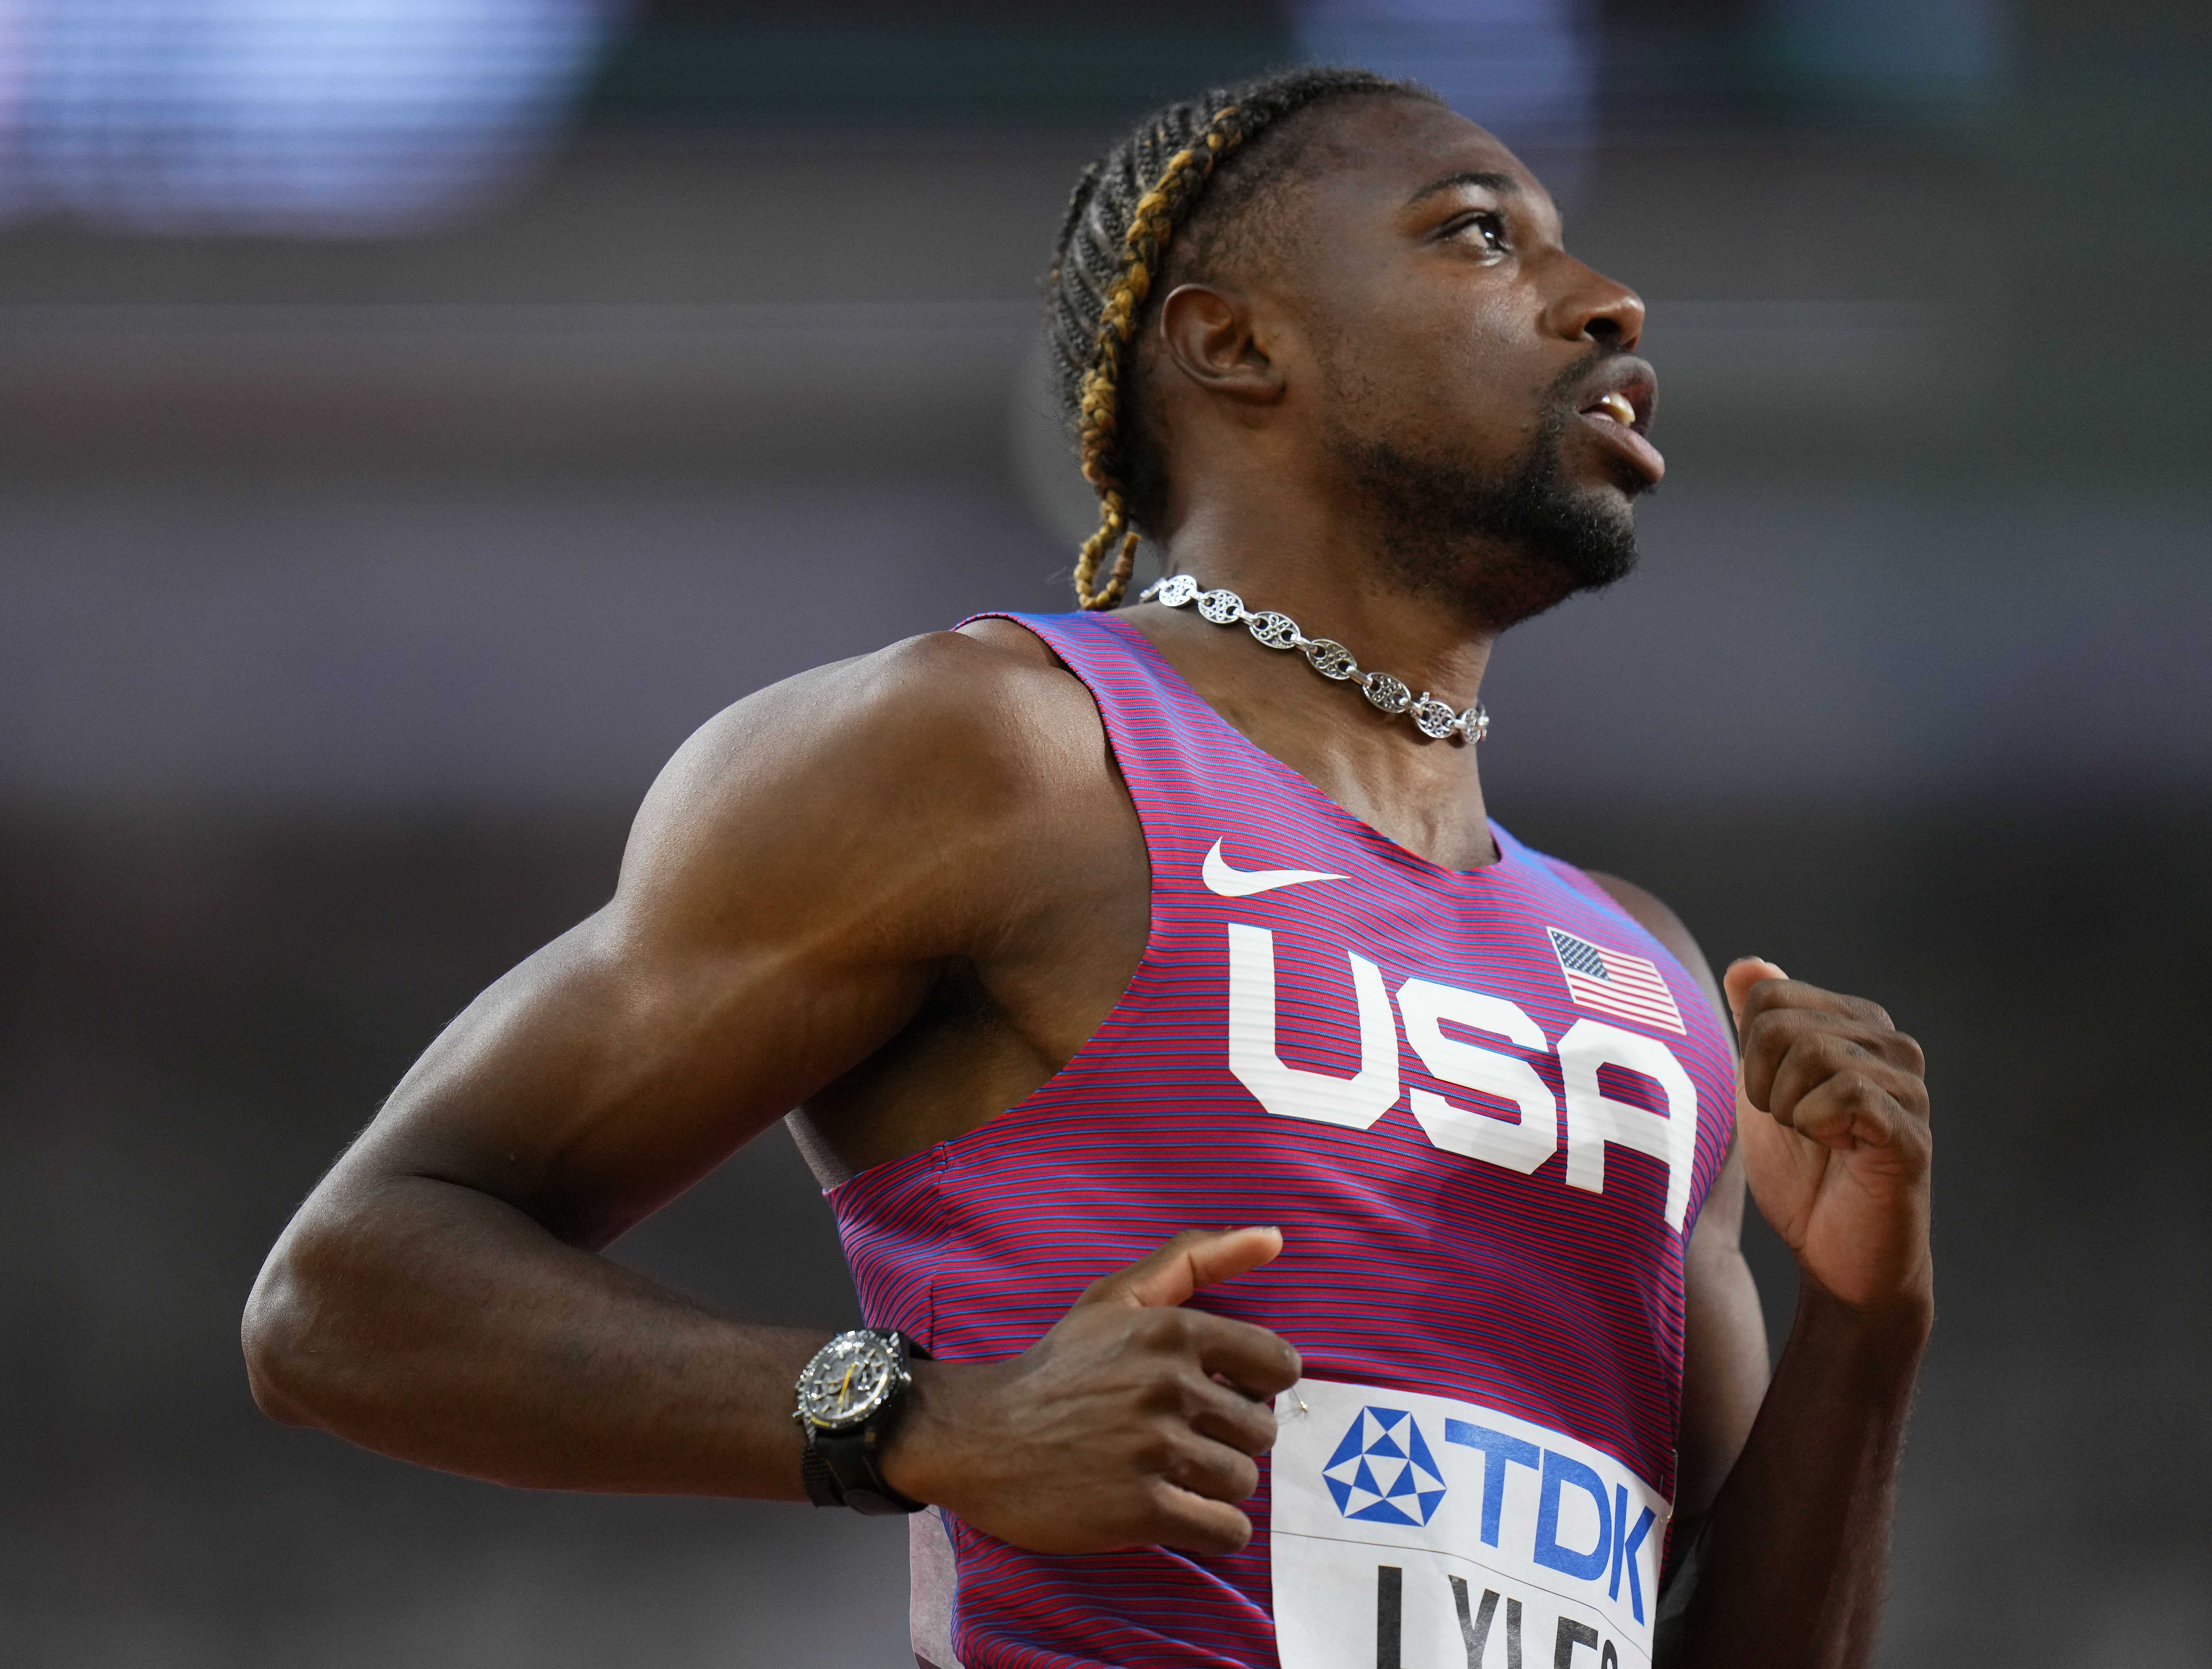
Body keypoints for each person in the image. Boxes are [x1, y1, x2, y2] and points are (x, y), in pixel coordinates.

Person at [242, 66, 1933, 1669]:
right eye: (1476, 232)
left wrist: (1863, 1327)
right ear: (1234, 343)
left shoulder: (1639, 973)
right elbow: (345, 1294)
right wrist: (926, 1423)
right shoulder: (1000, 754)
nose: (1606, 299)